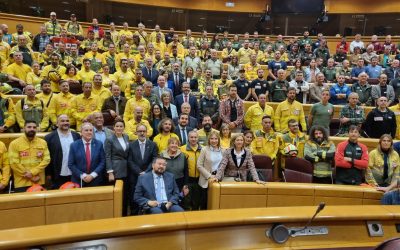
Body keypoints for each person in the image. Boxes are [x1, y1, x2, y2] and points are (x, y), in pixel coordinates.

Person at [8, 120, 50, 192]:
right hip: (21, 183)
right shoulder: (14, 143)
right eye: (29, 127)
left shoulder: (43, 142)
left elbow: (46, 159)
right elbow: (14, 163)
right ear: (24, 128)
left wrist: (32, 172)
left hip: (39, 181)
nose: (32, 129)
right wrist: (31, 176)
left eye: (34, 127)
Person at [44, 115, 80, 189]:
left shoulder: (76, 136)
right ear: (57, 124)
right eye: (62, 121)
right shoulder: (49, 138)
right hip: (58, 175)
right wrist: (48, 174)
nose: (65, 123)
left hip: (75, 174)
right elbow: (48, 157)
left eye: (67, 121)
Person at [104, 119, 130, 215]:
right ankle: (116, 214)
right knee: (117, 194)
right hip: (116, 170)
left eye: (121, 126)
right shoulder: (109, 139)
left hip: (126, 169)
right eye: (117, 126)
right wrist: (110, 172)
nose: (119, 128)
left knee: (125, 194)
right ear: (113, 128)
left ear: (124, 128)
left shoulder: (126, 137)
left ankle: (124, 214)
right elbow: (107, 156)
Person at [68, 122, 105, 187]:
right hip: (79, 181)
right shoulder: (74, 145)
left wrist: (92, 175)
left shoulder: (99, 144)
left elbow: (102, 162)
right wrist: (83, 175)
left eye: (91, 130)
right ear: (81, 132)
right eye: (86, 130)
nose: (89, 132)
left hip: (95, 180)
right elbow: (71, 164)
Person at [197, 131, 222, 209]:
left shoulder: (223, 150)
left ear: (218, 140)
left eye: (216, 139)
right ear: (209, 140)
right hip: (206, 179)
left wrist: (217, 176)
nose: (214, 141)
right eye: (212, 139)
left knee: (216, 203)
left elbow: (223, 165)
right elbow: (199, 165)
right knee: (204, 203)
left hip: (218, 179)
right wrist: (210, 176)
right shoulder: (204, 149)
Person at [180, 130, 202, 210]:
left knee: (197, 200)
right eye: (191, 137)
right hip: (187, 178)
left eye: (195, 137)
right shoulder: (182, 149)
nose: (193, 139)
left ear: (198, 138)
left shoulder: (203, 149)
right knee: (186, 200)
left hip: (199, 179)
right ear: (188, 138)